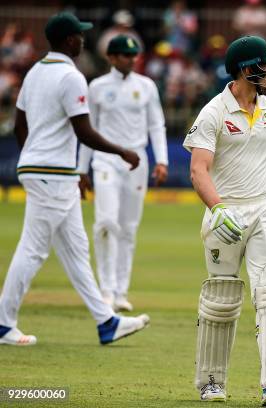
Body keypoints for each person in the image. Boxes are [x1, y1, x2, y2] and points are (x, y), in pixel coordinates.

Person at [0, 12, 149, 346]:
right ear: (69, 40)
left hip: (47, 170)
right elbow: (84, 130)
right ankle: (2, 322)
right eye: (79, 36)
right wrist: (122, 151)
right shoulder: (71, 76)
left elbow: (19, 123)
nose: (83, 40)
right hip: (52, 172)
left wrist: (33, 153)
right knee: (34, 249)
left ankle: (106, 321)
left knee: (76, 248)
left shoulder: (35, 72)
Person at [183, 35, 266, 405]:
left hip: (265, 207)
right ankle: (211, 381)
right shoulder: (213, 112)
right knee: (222, 297)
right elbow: (198, 170)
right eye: (264, 64)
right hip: (227, 212)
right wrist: (216, 207)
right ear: (244, 69)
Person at [77, 35, 168, 312]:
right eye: (126, 55)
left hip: (136, 160)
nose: (131, 60)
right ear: (112, 57)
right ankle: (105, 291)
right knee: (106, 222)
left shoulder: (147, 86)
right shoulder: (97, 87)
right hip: (105, 160)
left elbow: (157, 125)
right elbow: (87, 131)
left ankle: (120, 292)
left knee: (128, 228)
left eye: (134, 55)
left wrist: (161, 160)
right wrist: (82, 169)